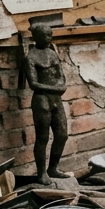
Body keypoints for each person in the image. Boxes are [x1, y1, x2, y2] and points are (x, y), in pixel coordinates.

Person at [25, 24, 70, 184]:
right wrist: (55, 88)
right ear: (36, 37)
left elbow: (60, 75)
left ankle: (53, 168)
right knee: (42, 138)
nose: (48, 39)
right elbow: (33, 84)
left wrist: (62, 85)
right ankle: (42, 172)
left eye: (50, 35)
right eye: (45, 36)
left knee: (62, 135)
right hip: (41, 100)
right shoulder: (31, 57)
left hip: (56, 99)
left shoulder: (52, 53)